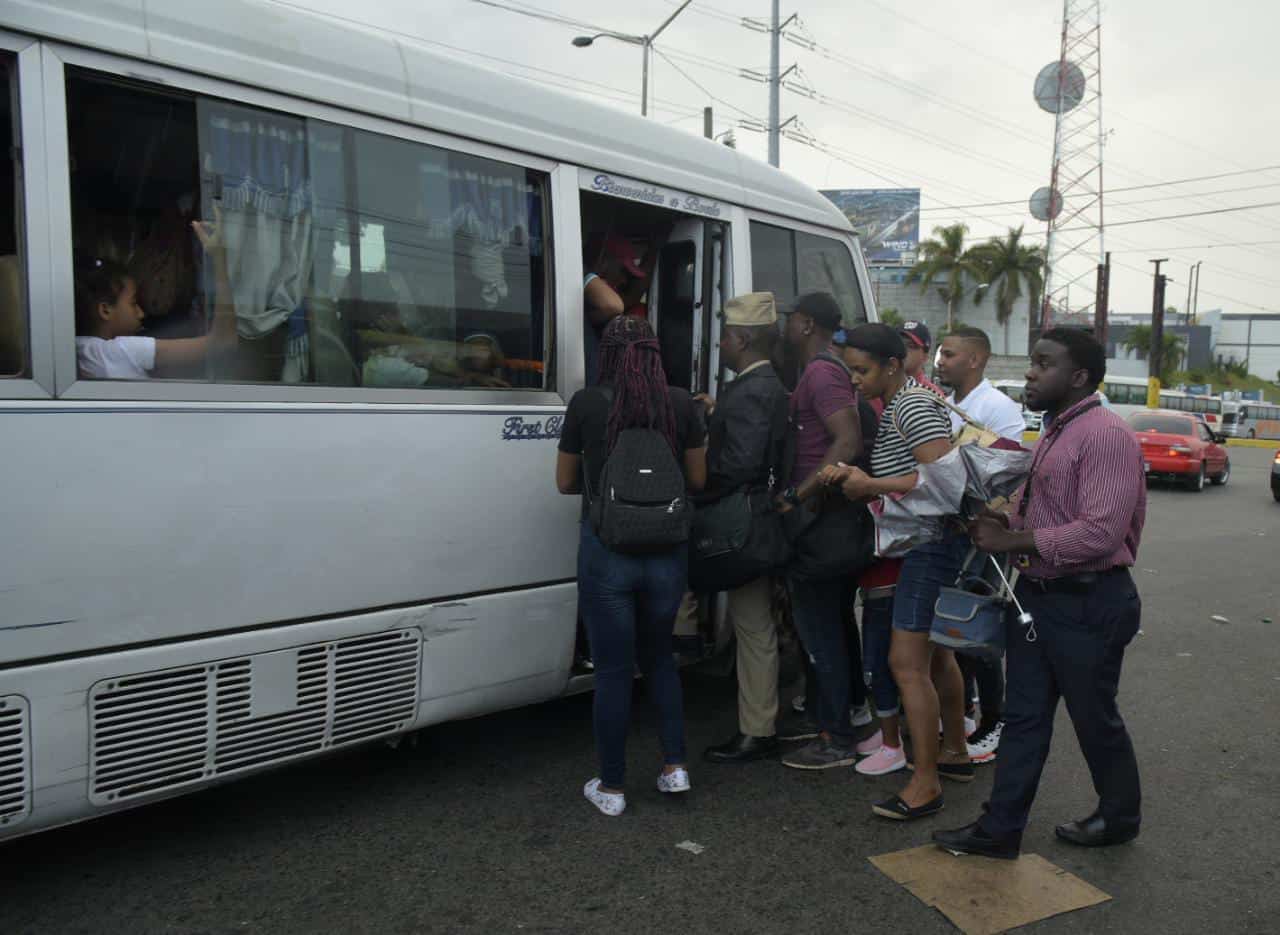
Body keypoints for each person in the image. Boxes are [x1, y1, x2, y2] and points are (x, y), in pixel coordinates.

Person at [933, 328, 1146, 859]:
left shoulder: (1105, 435)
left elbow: (1101, 532)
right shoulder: (1055, 430)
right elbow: (1041, 504)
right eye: (1032, 362)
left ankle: (1119, 817)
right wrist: (1002, 515)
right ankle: (999, 829)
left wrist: (1014, 538)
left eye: (1043, 364)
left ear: (1077, 378)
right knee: (1024, 718)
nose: (1030, 372)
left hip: (1090, 600)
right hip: (1041, 597)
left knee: (1093, 716)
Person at [556, 314, 708, 817]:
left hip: (607, 552)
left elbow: (563, 482)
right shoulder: (682, 403)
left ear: (608, 356)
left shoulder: (587, 403)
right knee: (661, 658)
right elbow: (698, 479)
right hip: (667, 552)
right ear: (653, 355)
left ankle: (614, 788)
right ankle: (674, 767)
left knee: (615, 671)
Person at [822, 323, 973, 819]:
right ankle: (952, 753)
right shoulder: (906, 402)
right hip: (929, 545)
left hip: (930, 546)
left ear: (892, 366)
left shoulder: (909, 404)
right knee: (932, 661)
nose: (854, 380)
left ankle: (924, 783)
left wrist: (870, 484)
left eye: (861, 370)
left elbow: (945, 482)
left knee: (905, 665)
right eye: (849, 370)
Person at [773, 292, 867, 771]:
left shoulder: (822, 372)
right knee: (831, 627)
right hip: (824, 518)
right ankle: (833, 717)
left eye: (790, 318)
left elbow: (847, 437)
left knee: (821, 632)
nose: (785, 326)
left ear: (806, 324)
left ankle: (836, 738)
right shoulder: (823, 371)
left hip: (821, 522)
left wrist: (799, 496)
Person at [698, 292, 791, 764]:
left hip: (742, 521)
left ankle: (757, 730)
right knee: (754, 624)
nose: (719, 346)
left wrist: (696, 484)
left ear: (742, 339)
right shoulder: (765, 385)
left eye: (725, 338)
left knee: (754, 627)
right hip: (756, 518)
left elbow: (740, 463)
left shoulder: (753, 390)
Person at [933, 325, 1025, 764]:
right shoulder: (948, 403)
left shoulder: (998, 407)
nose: (941, 360)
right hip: (950, 532)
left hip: (983, 536)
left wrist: (986, 523)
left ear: (975, 359)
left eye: (949, 354)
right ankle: (964, 713)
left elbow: (1008, 478)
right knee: (953, 627)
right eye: (940, 353)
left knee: (981, 631)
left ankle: (995, 721)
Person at [75, 210, 235, 379]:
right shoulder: (120, 351)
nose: (141, 313)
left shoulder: (79, 351)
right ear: (105, 310)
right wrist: (219, 257)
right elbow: (224, 342)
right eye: (133, 303)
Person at [583, 235, 652, 386]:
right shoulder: (580, 280)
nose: (624, 280)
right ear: (603, 262)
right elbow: (614, 306)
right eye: (622, 271)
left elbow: (629, 299)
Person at [899, 320, 944, 396]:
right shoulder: (877, 388)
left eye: (911, 346)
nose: (903, 349)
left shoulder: (933, 396)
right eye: (899, 343)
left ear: (925, 356)